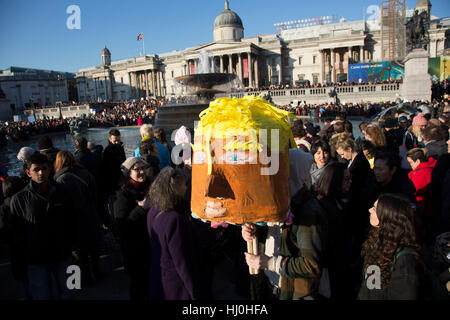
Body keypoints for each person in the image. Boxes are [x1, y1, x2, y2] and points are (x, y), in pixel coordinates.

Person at [9, 153, 76, 300]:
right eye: (36, 170)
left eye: (44, 169)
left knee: (71, 292)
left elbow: (72, 219)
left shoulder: (62, 192)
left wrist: (72, 246)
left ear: (50, 169)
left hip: (64, 255)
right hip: (36, 260)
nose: (41, 173)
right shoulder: (19, 199)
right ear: (28, 173)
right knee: (41, 295)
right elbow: (16, 233)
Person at [147, 167, 209, 300]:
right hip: (177, 286)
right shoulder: (175, 219)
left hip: (160, 278)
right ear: (175, 189)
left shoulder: (153, 210)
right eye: (184, 184)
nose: (186, 188)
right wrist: (195, 293)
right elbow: (183, 262)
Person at [358, 193, 424, 300]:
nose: (370, 210)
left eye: (374, 209)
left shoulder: (405, 259)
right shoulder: (378, 241)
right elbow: (370, 286)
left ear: (388, 216)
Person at [53, 151, 103, 287]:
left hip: (73, 219)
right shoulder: (85, 173)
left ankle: (85, 278)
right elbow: (94, 193)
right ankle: (97, 271)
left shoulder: (60, 179)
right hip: (90, 214)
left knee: (81, 251)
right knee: (93, 247)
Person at [114, 157, 152, 300]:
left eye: (144, 168)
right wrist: (141, 209)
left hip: (152, 247)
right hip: (135, 251)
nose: (142, 172)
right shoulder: (122, 195)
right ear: (128, 173)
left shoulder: (150, 187)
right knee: (139, 288)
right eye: (137, 169)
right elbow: (121, 228)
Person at [314, 162, 353, 299]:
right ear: (335, 180)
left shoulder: (340, 200)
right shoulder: (322, 205)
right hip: (328, 268)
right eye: (346, 179)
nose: (350, 182)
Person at [0, 176, 30, 299]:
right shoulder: (27, 201)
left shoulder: (3, 208)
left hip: (16, 251)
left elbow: (2, 232)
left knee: (25, 282)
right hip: (32, 247)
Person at [102, 129, 126, 218]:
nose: (116, 142)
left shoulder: (120, 147)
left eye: (118, 140)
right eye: (115, 140)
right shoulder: (107, 151)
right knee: (113, 206)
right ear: (110, 139)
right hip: (112, 184)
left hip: (120, 181)